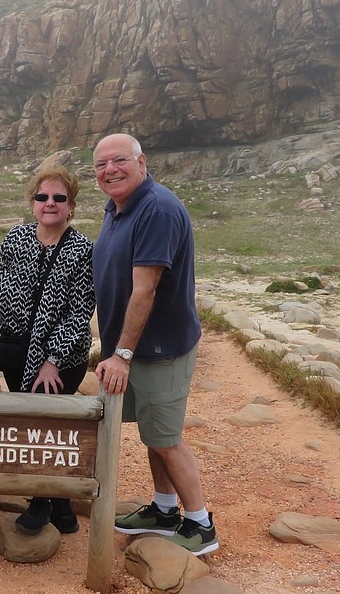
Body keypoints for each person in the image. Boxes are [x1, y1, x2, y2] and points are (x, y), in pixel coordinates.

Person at [91, 133, 218, 556]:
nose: (110, 169)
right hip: (136, 349)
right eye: (100, 164)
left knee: (165, 437)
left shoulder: (157, 209)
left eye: (119, 160)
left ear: (141, 161)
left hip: (157, 349)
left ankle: (200, 523)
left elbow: (144, 290)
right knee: (152, 433)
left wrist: (122, 354)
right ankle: (164, 511)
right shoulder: (120, 208)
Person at [0, 164, 95, 534]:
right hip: (15, 352)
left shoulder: (82, 250)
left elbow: (81, 312)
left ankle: (40, 502)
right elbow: (2, 287)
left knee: (44, 429)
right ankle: (63, 511)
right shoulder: (16, 238)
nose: (49, 203)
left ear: (70, 206)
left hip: (59, 359)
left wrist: (52, 362)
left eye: (58, 198)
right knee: (29, 423)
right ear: (32, 202)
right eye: (42, 197)